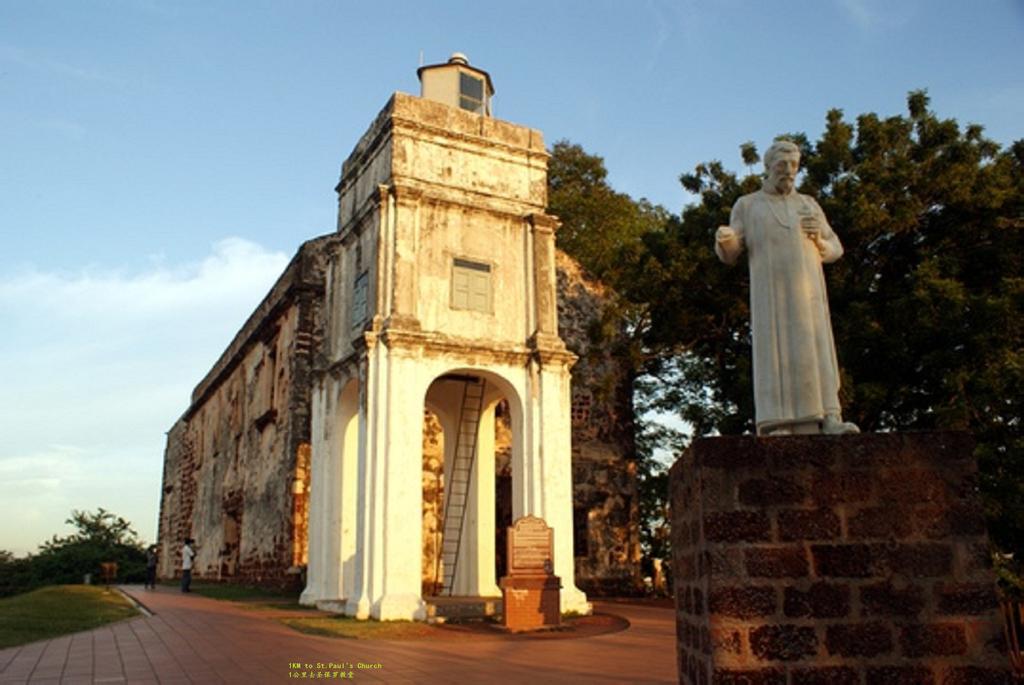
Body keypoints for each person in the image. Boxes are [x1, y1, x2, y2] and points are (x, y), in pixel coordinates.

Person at [715, 139, 859, 436]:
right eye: (782, 166)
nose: (789, 172)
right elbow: (731, 253)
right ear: (768, 168)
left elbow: (836, 248)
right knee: (776, 353)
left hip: (808, 293)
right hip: (771, 294)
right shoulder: (748, 204)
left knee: (815, 346)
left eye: (794, 166)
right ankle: (777, 424)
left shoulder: (808, 204)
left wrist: (819, 239)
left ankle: (829, 418)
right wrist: (725, 238)